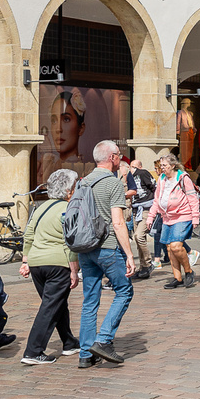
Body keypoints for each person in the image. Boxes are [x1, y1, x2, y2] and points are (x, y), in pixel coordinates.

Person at [76, 140, 136, 368]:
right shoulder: (112, 184)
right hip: (107, 247)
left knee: (90, 300)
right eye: (119, 155)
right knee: (124, 291)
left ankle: (85, 354)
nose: (120, 158)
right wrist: (129, 254)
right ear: (111, 157)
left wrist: (74, 261)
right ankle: (104, 340)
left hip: (85, 249)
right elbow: (118, 222)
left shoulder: (83, 183)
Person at [18, 169, 81, 364]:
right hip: (58, 263)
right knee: (49, 307)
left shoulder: (41, 207)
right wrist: (74, 270)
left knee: (56, 304)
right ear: (70, 190)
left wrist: (26, 261)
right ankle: (33, 351)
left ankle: (69, 342)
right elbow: (70, 242)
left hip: (37, 262)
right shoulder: (69, 209)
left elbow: (29, 234)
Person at [149, 152, 200, 288]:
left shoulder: (183, 178)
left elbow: (192, 198)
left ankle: (188, 271)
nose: (162, 168)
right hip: (167, 217)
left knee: (176, 247)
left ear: (172, 166)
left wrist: (195, 217)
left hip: (183, 216)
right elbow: (156, 200)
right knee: (169, 248)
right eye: (161, 166)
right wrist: (151, 216)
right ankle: (177, 278)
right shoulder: (161, 179)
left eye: (164, 165)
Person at [125, 158, 158, 279]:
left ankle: (148, 263)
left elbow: (154, 187)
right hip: (135, 210)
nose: (131, 169)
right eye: (130, 167)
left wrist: (155, 204)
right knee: (138, 239)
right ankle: (143, 267)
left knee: (138, 236)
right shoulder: (129, 177)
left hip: (145, 209)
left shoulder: (143, 173)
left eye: (133, 167)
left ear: (138, 167)